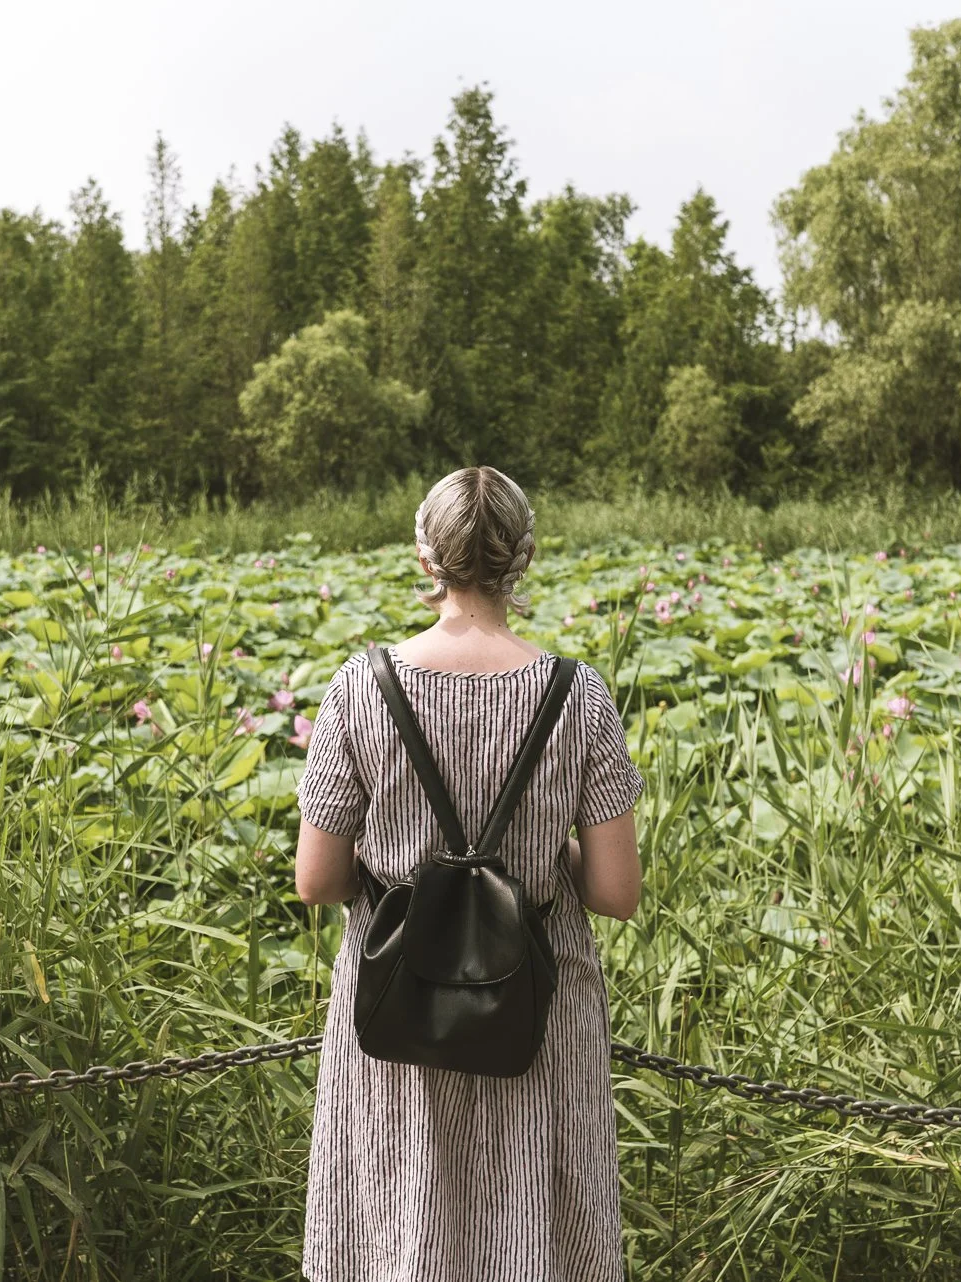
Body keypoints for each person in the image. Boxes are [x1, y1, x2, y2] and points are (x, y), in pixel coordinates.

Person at [294, 465, 645, 1282]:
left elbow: (317, 880)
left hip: (399, 1006)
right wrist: (539, 855)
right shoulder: (579, 696)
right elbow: (614, 892)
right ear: (524, 558)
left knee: (397, 1229)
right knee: (536, 1242)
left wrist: (404, 876)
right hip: (536, 1009)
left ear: (426, 558)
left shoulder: (360, 689)